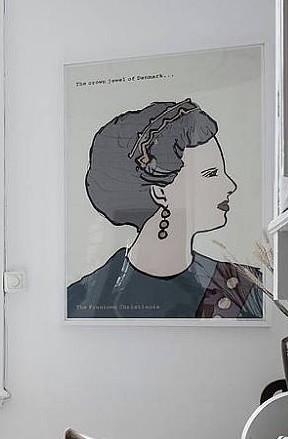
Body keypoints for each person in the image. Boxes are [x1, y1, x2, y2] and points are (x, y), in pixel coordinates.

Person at [67, 99, 262, 319]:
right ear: (160, 193)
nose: (231, 185)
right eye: (211, 174)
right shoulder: (85, 299)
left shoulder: (248, 287)